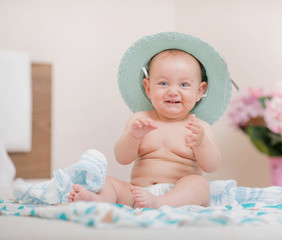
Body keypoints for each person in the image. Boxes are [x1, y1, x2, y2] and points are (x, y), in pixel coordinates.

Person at [68, 32, 233, 208]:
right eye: (163, 83)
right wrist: (133, 136)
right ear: (148, 88)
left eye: (184, 84)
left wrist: (201, 143)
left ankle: (161, 202)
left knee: (199, 185)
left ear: (200, 91)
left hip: (178, 196)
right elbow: (122, 158)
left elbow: (211, 165)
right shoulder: (140, 120)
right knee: (109, 183)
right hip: (139, 193)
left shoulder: (199, 127)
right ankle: (99, 201)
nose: (173, 91)